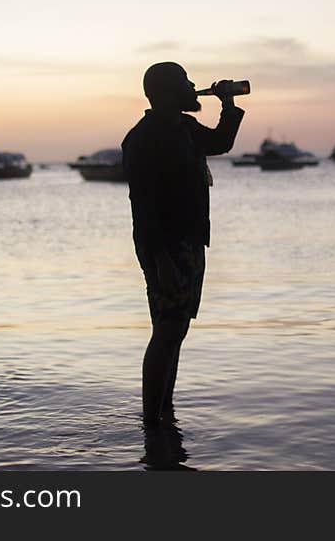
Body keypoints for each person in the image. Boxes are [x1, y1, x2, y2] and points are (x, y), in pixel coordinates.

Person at [122, 62, 245, 426]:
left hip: (190, 242)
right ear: (165, 92)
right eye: (185, 82)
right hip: (164, 247)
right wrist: (160, 259)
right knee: (167, 330)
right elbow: (143, 206)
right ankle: (151, 422)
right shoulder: (142, 138)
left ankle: (164, 416)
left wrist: (227, 104)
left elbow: (221, 142)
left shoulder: (185, 127)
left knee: (175, 331)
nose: (194, 87)